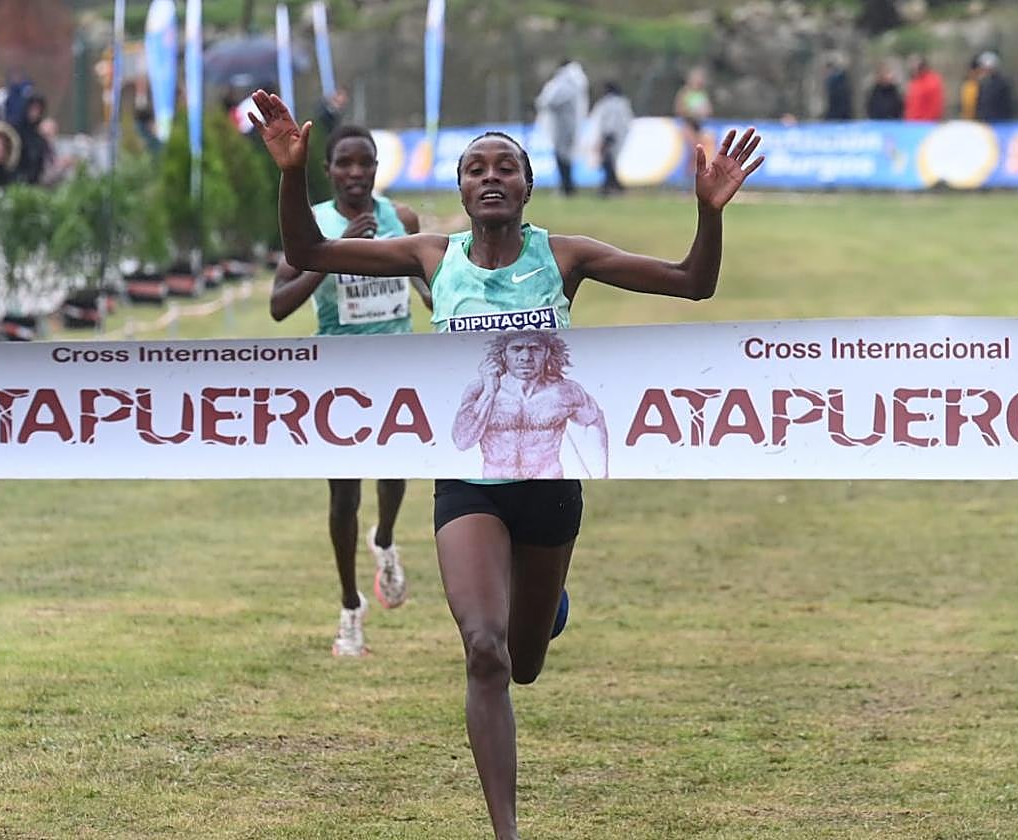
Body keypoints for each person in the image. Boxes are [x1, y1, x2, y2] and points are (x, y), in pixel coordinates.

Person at [249, 88, 764, 840]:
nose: (490, 177)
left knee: (524, 661)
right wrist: (294, 173)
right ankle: (507, 831)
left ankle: (544, 605)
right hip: (468, 483)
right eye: (475, 168)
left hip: (549, 486)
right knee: (484, 654)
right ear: (461, 189)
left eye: (506, 168)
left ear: (526, 186)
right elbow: (308, 255)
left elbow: (694, 282)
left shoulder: (565, 257)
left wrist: (710, 213)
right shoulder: (433, 255)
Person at [269, 124, 431, 657]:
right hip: (338, 370)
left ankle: (384, 540)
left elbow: (428, 287)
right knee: (343, 494)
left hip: (399, 362)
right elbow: (279, 304)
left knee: (394, 473)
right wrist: (331, 252)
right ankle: (349, 608)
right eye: (345, 163)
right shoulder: (312, 222)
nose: (356, 173)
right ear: (329, 170)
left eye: (366, 163)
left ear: (377, 169)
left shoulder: (400, 219)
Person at [454, 332, 608, 479]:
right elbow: (462, 442)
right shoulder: (480, 389)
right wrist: (489, 392)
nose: (526, 357)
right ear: (503, 354)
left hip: (549, 483)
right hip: (495, 483)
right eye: (516, 349)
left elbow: (594, 419)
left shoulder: (565, 391)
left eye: (535, 349)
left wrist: (601, 472)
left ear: (547, 353)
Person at [534, 58, 589, 196]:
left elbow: (551, 100)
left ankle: (567, 188)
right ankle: (567, 187)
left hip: (564, 127)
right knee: (564, 157)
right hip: (567, 126)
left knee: (563, 157)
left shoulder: (567, 84)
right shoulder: (575, 82)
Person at [587, 81, 633, 196]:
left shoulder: (611, 104)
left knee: (608, 162)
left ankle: (609, 187)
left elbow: (610, 122)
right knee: (609, 162)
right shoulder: (622, 103)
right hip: (616, 136)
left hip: (611, 136)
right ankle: (615, 186)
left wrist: (607, 137)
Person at [673, 67, 713, 178]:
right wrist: (693, 112)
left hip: (699, 125)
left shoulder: (702, 93)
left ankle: (696, 178)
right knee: (693, 151)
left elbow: (709, 109)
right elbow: (679, 110)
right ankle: (688, 179)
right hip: (688, 124)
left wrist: (704, 112)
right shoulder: (685, 92)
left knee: (699, 154)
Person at [975, 51, 1013, 123]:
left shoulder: (1002, 84)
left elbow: (1006, 106)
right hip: (985, 122)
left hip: (999, 122)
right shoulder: (982, 84)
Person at [904, 56, 945, 121]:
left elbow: (935, 107)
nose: (912, 69)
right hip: (911, 124)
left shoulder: (932, 81)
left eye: (914, 67)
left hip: (925, 125)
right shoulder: (914, 82)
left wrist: (927, 122)